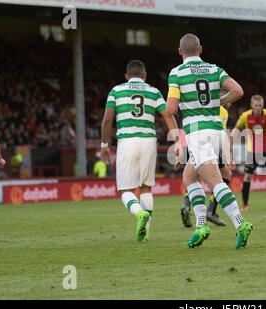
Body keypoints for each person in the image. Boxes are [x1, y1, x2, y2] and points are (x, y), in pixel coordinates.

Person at [165, 33, 253, 249]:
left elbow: (171, 109)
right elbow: (238, 91)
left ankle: (241, 224)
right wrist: (219, 101)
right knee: (189, 176)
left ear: (180, 52)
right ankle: (201, 226)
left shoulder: (177, 73)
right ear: (200, 50)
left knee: (215, 183)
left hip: (197, 133)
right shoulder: (214, 69)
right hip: (217, 131)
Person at [100, 60, 179, 241]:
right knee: (146, 188)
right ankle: (146, 231)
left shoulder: (116, 91)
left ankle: (139, 213)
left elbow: (106, 120)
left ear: (126, 76)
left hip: (127, 141)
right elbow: (168, 114)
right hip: (149, 142)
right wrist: (177, 140)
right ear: (145, 75)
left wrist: (104, 145)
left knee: (126, 190)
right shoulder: (153, 91)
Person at [179, 103, 233, 227]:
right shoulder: (221, 109)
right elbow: (222, 134)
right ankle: (211, 211)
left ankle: (187, 206)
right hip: (206, 147)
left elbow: (184, 127)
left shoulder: (199, 105)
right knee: (225, 174)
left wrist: (181, 149)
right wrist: (228, 156)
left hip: (191, 142)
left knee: (193, 176)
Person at [231, 95, 266, 212]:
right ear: (251, 105)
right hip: (252, 151)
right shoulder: (245, 116)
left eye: (260, 106)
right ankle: (245, 204)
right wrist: (231, 141)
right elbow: (237, 129)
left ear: (263, 105)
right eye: (256, 106)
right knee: (247, 177)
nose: (258, 108)